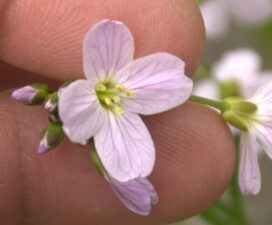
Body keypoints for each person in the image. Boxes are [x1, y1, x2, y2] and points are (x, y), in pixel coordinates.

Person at [0, 0, 235, 224]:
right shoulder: (77, 107)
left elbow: (171, 79)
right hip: (87, 103)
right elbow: (72, 113)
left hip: (97, 99)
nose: (108, 96)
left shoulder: (88, 100)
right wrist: (66, 108)